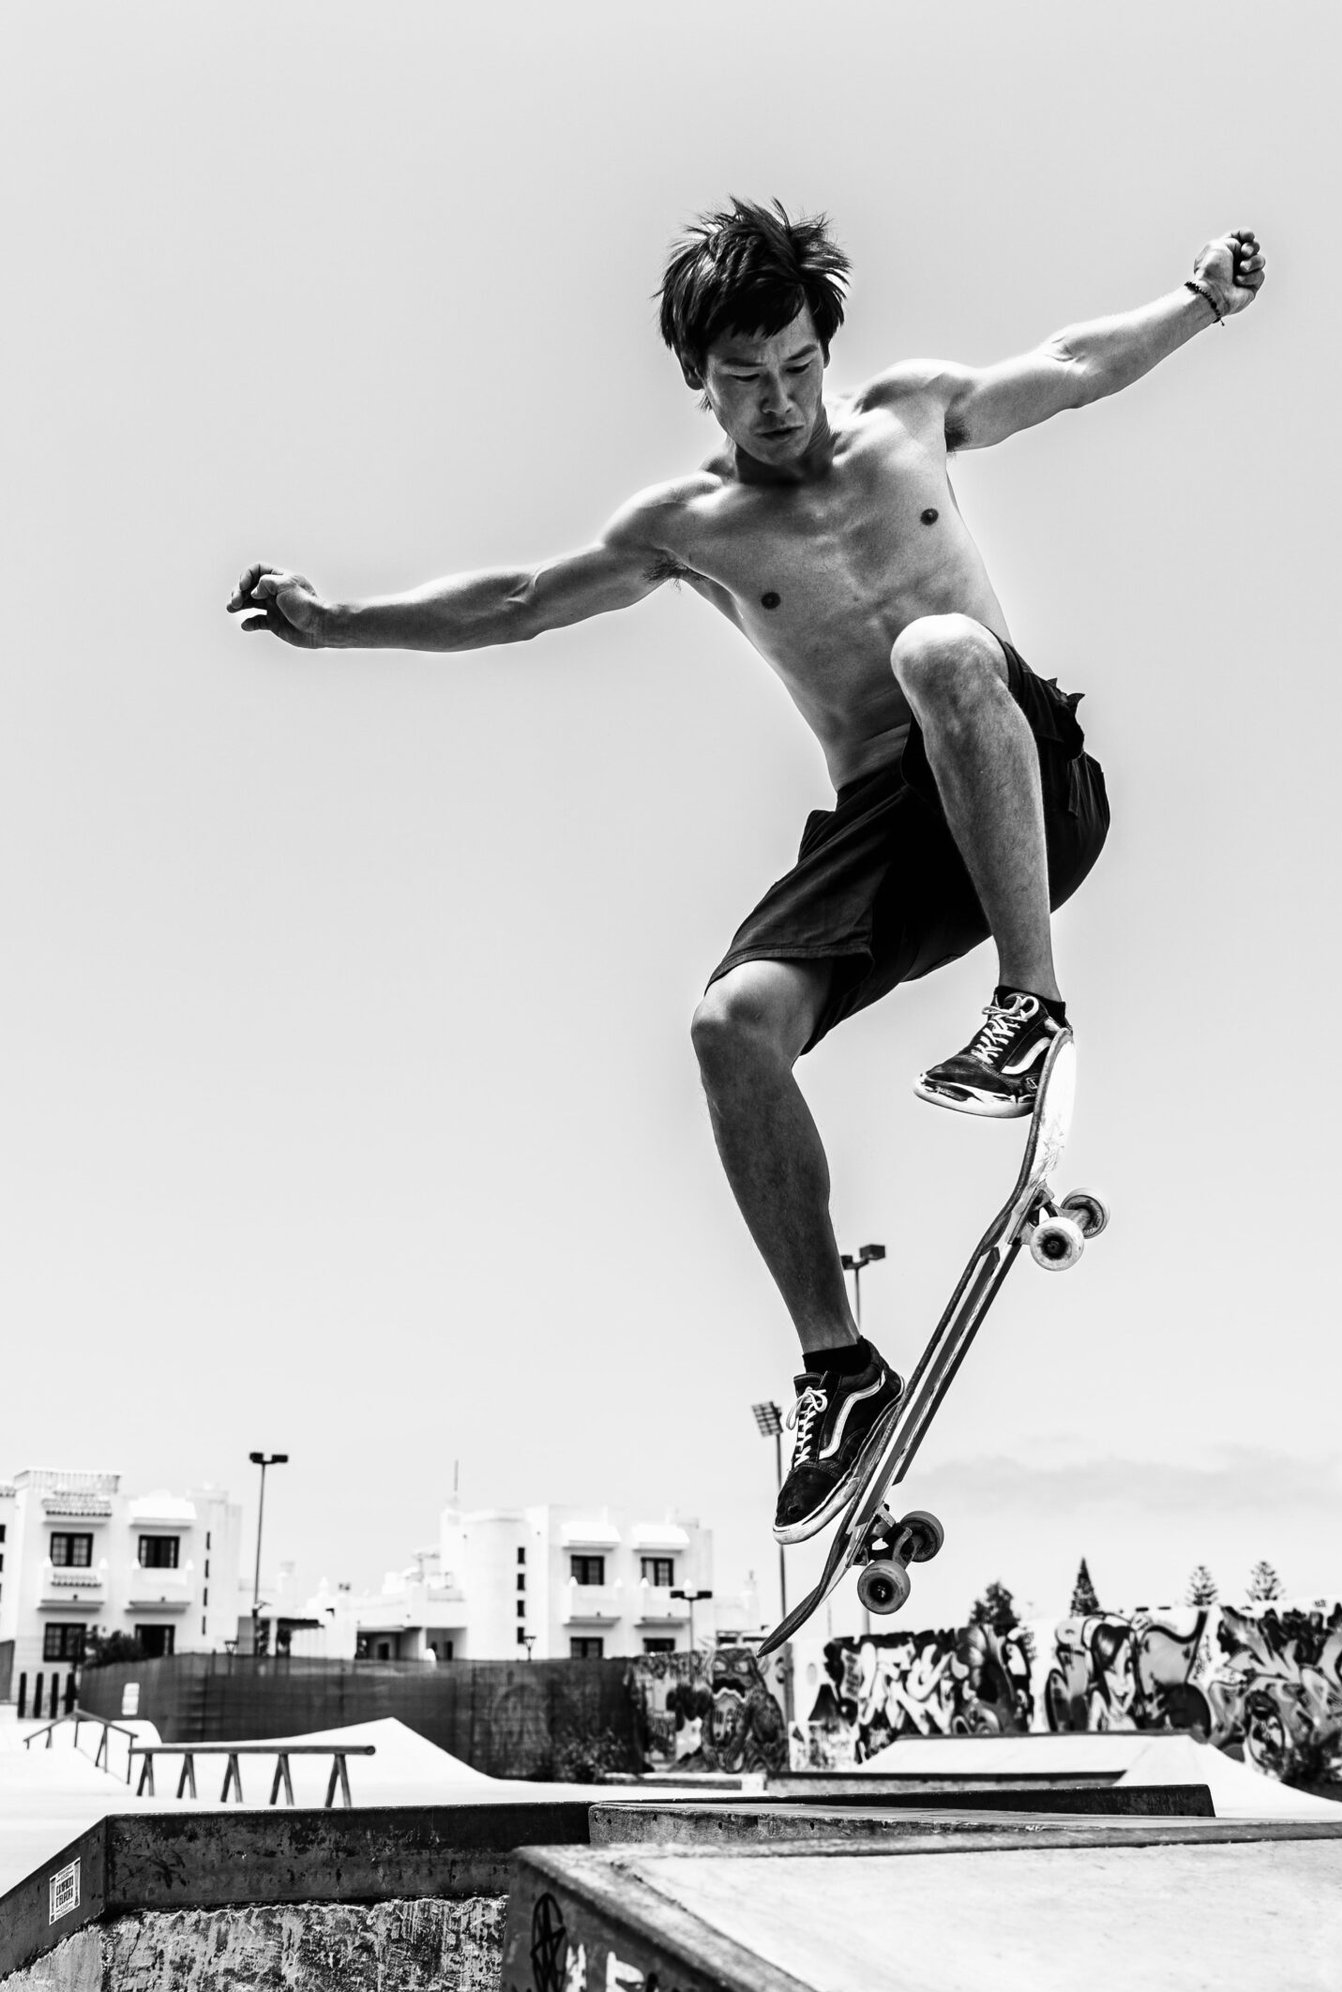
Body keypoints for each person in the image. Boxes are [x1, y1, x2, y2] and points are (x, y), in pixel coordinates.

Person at [229, 200, 1266, 1546]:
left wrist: (1201, 301)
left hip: (1027, 781)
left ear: (825, 351)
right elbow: (520, 602)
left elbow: (1073, 365)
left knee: (941, 650)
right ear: (697, 384)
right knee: (730, 1026)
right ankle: (840, 1365)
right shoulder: (689, 526)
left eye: (796, 367)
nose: (779, 404)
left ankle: (1031, 1001)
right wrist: (335, 624)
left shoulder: (911, 415)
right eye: (744, 381)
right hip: (888, 828)